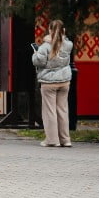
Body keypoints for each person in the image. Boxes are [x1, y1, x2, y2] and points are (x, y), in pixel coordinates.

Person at [32, 19, 73, 147]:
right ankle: (65, 140)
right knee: (63, 110)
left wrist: (35, 53)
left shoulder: (44, 47)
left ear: (49, 30)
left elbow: (39, 62)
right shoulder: (68, 45)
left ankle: (52, 140)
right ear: (63, 31)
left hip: (48, 82)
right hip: (65, 81)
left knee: (50, 111)